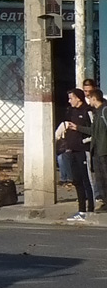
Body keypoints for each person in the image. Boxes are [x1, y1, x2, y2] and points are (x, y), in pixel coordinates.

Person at [62, 87, 95, 220]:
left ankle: (90, 208)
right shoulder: (71, 111)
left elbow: (94, 130)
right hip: (72, 150)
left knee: (86, 179)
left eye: (71, 98)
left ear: (78, 98)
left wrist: (79, 130)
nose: (70, 101)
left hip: (83, 150)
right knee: (77, 180)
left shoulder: (87, 111)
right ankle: (81, 209)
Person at [74, 87, 107, 212]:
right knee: (100, 178)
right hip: (97, 150)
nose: (89, 101)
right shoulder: (97, 112)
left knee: (105, 176)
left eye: (90, 98)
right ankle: (105, 201)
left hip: (104, 149)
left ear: (94, 98)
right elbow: (93, 130)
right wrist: (78, 128)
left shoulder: (104, 111)